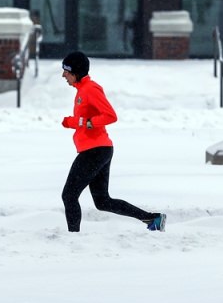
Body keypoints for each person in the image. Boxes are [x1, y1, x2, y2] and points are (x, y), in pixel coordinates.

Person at [59, 51, 165, 233]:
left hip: (95, 151)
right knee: (102, 201)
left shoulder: (90, 89)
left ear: (75, 72)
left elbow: (110, 115)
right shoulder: (82, 91)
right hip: (99, 150)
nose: (63, 76)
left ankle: (72, 238)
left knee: (69, 195)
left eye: (66, 71)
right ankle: (152, 218)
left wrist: (82, 122)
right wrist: (76, 123)